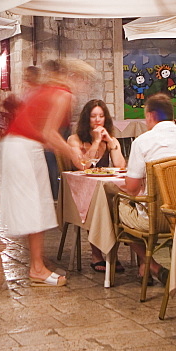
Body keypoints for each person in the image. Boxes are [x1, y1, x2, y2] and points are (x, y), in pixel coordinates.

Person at [0, 60, 89, 286]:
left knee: (37, 205)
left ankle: (36, 264)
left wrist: (67, 149)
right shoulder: (63, 94)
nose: (84, 86)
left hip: (19, 146)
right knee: (36, 206)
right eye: (84, 80)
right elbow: (49, 133)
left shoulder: (46, 91)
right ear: (75, 77)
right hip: (24, 148)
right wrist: (74, 156)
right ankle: (36, 268)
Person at [121, 94, 176, 283]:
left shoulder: (142, 142)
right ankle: (145, 267)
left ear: (151, 116)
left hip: (156, 218)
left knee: (116, 208)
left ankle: (151, 264)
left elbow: (132, 189)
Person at [67, 99, 127, 273]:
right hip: (79, 192)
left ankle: (111, 252)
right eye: (93, 116)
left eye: (101, 116)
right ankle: (97, 254)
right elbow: (83, 166)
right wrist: (95, 142)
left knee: (118, 202)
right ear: (87, 119)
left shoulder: (110, 140)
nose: (98, 120)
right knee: (96, 202)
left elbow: (121, 166)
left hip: (105, 190)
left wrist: (111, 143)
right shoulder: (75, 139)